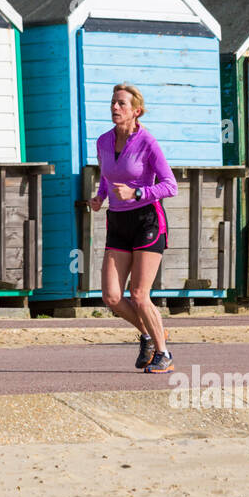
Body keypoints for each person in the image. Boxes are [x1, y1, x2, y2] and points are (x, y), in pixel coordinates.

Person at [89, 83, 178, 373]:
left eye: (122, 104)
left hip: (147, 221)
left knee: (139, 295)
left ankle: (163, 354)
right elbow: (107, 174)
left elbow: (170, 186)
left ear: (136, 111)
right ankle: (152, 334)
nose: (115, 107)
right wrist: (101, 196)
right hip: (117, 220)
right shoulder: (103, 141)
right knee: (112, 297)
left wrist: (137, 193)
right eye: (113, 103)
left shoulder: (148, 143)